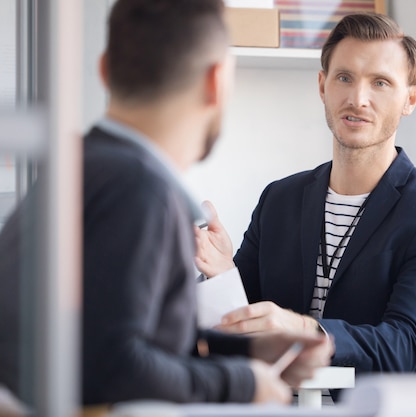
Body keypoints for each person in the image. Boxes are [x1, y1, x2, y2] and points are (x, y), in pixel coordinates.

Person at [0, 0, 333, 406]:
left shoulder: (82, 167)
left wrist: (248, 351)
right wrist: (242, 384)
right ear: (216, 81)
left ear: (105, 70)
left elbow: (106, 336)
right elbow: (112, 366)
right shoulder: (141, 190)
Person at [195, 12, 416, 377]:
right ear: (323, 86)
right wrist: (220, 275)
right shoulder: (278, 200)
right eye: (345, 78)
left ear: (411, 98)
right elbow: (234, 331)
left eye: (380, 83)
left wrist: (307, 330)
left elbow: (406, 346)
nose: (358, 99)